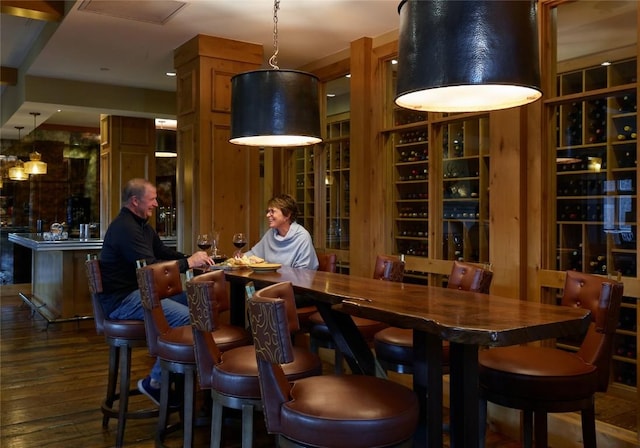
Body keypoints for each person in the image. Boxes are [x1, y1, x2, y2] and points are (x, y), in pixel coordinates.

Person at [99, 178, 213, 406]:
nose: (156, 204)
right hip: (122, 300)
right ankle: (156, 381)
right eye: (152, 199)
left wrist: (190, 258)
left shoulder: (141, 225)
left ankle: (188, 378)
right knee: (191, 318)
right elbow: (150, 269)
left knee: (200, 304)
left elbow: (162, 252)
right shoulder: (125, 228)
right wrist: (188, 263)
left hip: (139, 293)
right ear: (135, 201)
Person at [244, 194, 319, 270]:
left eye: (272, 211)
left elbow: (303, 272)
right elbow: (254, 254)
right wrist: (240, 258)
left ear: (287, 215)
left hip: (293, 281)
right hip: (269, 280)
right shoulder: (270, 233)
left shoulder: (302, 237)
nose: (267, 215)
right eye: (268, 211)